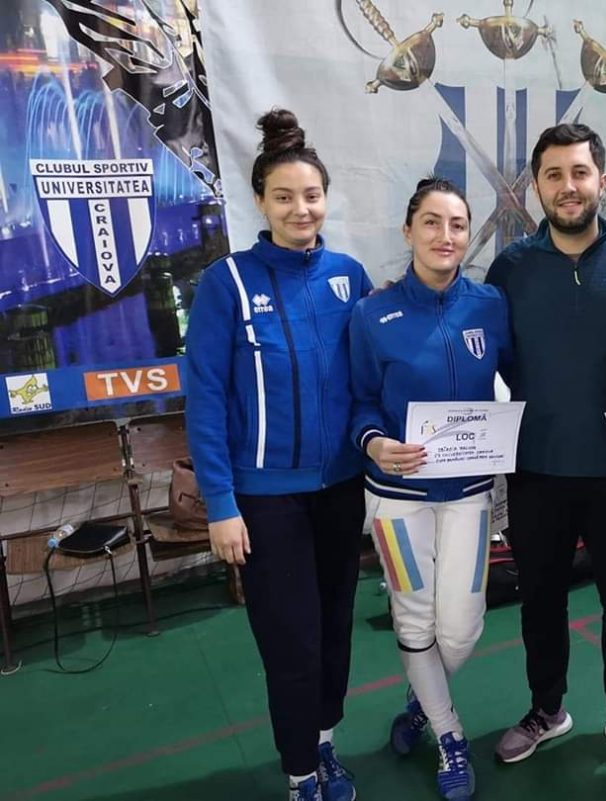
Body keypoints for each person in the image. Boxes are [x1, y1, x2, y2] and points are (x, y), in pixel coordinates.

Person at [185, 109, 373, 801]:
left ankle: (324, 745)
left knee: (334, 631)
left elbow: (371, 378)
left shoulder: (349, 277)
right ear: (260, 202)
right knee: (290, 641)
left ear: (326, 199)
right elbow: (206, 400)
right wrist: (221, 504)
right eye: (285, 196)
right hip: (265, 503)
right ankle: (300, 773)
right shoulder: (226, 283)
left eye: (312, 195)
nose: (301, 209)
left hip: (341, 492)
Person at [486, 123, 606, 782]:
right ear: (536, 186)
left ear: (602, 181)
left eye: (579, 172)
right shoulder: (510, 268)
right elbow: (490, 358)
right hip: (537, 467)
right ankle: (546, 708)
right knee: (541, 601)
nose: (568, 186)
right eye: (553, 175)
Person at [349, 177, 512, 801]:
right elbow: (360, 399)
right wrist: (374, 443)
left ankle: (422, 699)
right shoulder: (373, 314)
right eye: (432, 223)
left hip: (470, 492)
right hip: (397, 497)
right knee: (414, 614)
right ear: (408, 230)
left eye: (458, 225)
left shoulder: (490, 305)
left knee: (462, 628)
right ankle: (448, 734)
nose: (446, 236)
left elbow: (518, 378)